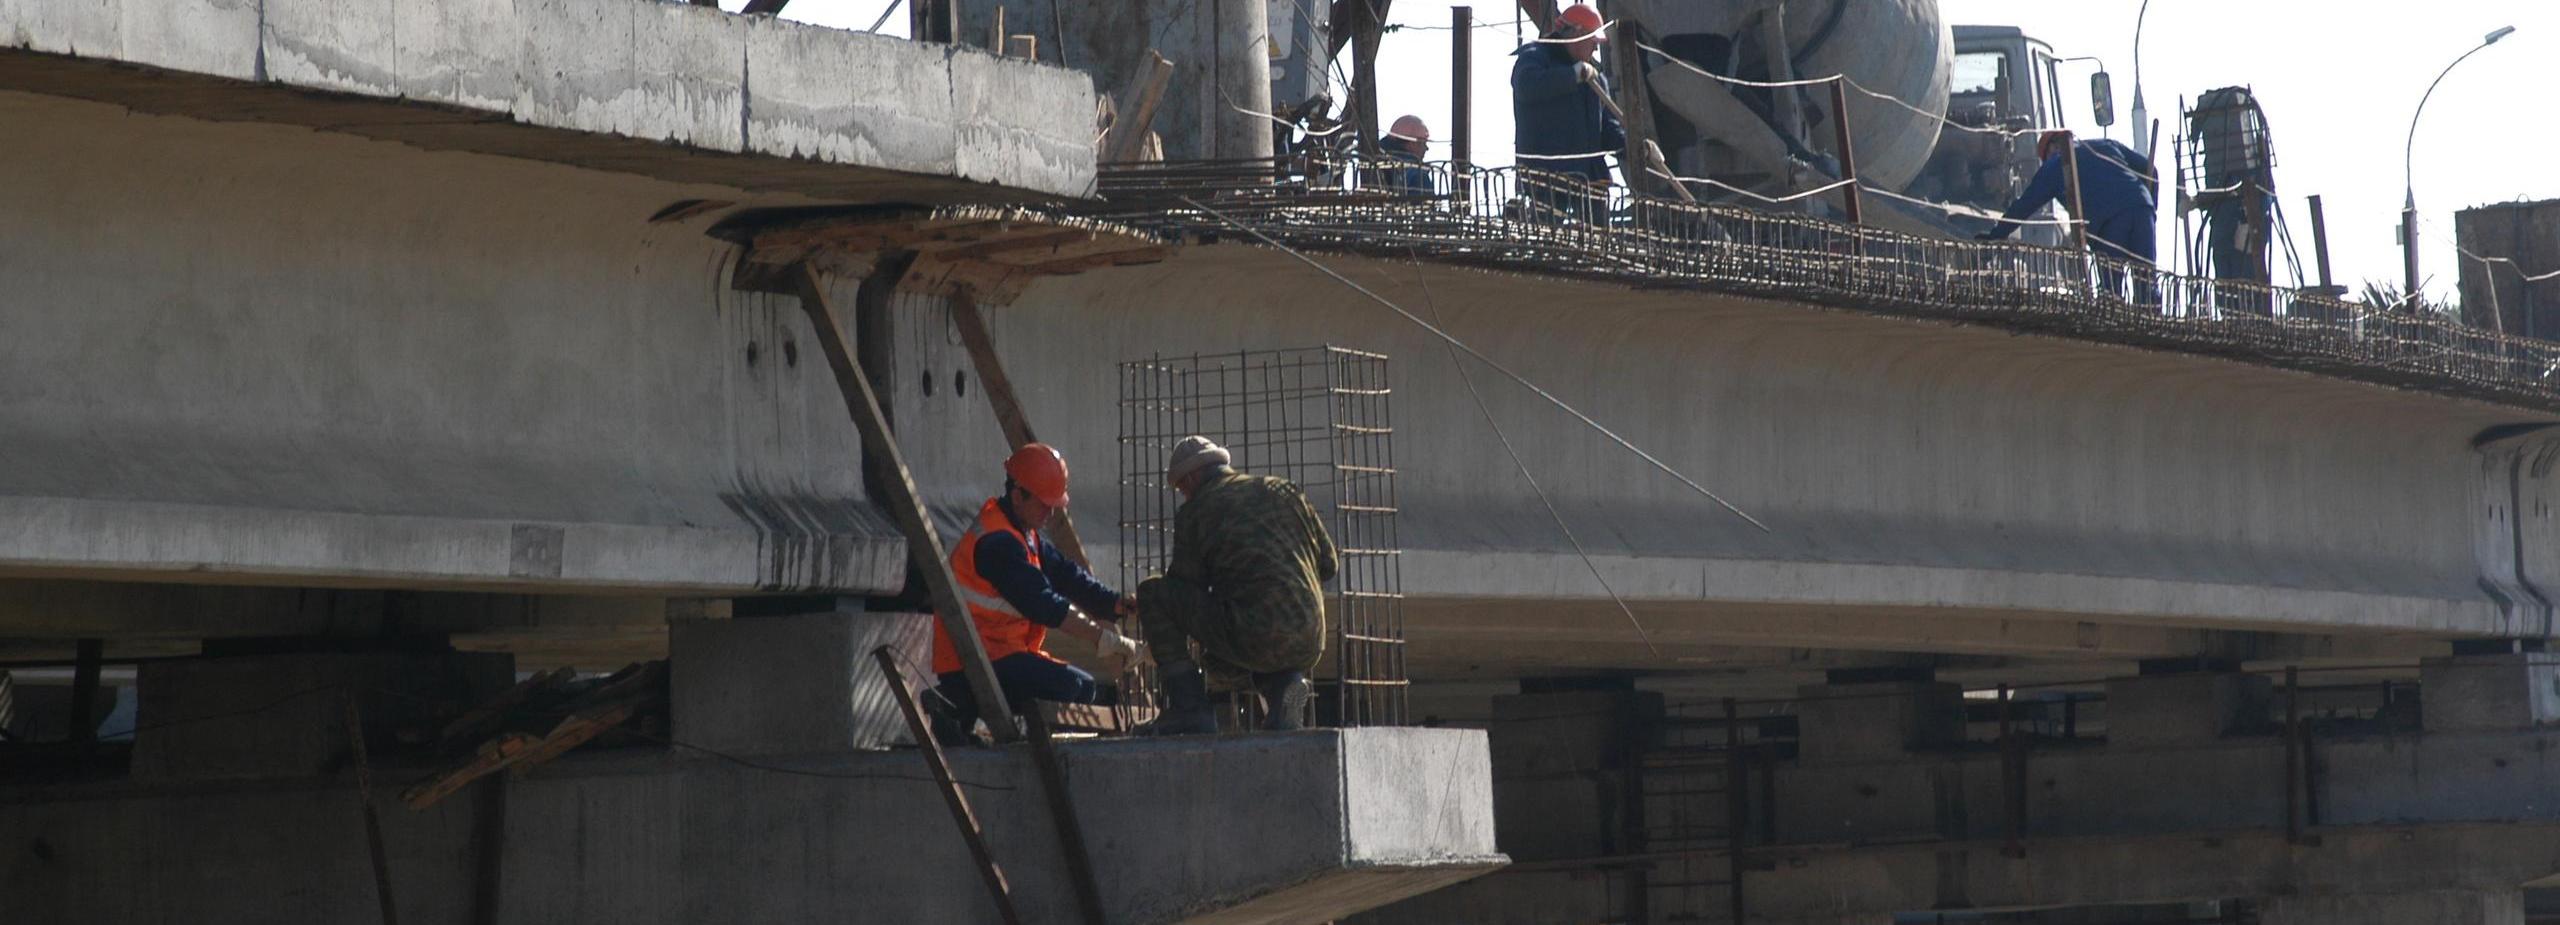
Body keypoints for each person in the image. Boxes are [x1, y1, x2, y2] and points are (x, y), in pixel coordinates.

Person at [928, 443, 1144, 745]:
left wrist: (1114, 604)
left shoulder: (1022, 531)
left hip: (1000, 654)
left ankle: (960, 706)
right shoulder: (998, 544)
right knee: (1072, 688)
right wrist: (1101, 638)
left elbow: (1069, 577)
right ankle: (957, 702)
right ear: (1018, 495)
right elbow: (1044, 605)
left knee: (1082, 689)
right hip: (974, 662)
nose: (1051, 512)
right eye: (1044, 504)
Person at [1132, 437, 1340, 735]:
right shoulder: (1286, 491)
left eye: (1181, 488)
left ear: (1191, 478)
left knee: (1154, 594)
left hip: (1254, 633)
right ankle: (1284, 687)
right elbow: (1329, 565)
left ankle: (1190, 709)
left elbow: (1183, 585)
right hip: (1309, 639)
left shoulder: (1197, 511)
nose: (1184, 496)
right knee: (1220, 659)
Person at [1976, 130, 2159, 266]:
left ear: (2051, 150)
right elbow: (2151, 170)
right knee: (2147, 285)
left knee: (2112, 294)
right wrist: (2151, 208)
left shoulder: (2057, 164)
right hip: (2142, 208)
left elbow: (2024, 205)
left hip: (2108, 225)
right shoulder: (2106, 144)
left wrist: (1996, 236)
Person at [1511, 3, 1622, 223]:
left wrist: (1635, 145)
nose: (1595, 50)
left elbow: (1607, 127)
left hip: (1589, 180)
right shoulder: (1535, 58)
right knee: (1545, 240)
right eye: (1593, 42)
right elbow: (1526, 86)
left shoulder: (1594, 79)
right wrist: (1572, 76)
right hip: (1548, 179)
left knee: (1598, 245)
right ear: (1577, 34)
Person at [1380, 114, 1434, 195]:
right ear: (1412, 143)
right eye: (1423, 143)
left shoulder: (1376, 159)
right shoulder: (1418, 175)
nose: (1426, 148)